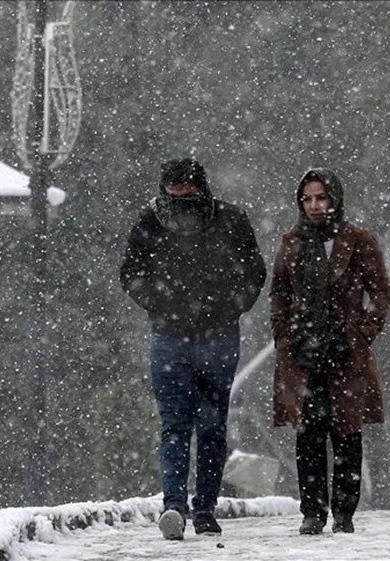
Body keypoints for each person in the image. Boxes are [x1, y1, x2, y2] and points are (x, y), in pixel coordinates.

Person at [120, 158, 266, 540]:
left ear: (200, 187)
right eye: (175, 189)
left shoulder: (231, 221)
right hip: (172, 337)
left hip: (213, 338)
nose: (182, 197)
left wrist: (228, 305)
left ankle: (202, 506)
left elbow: (253, 272)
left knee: (209, 427)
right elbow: (131, 273)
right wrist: (161, 303)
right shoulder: (151, 222)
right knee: (178, 426)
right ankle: (176, 506)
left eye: (188, 189)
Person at [269, 168, 390, 535]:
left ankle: (344, 513)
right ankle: (312, 512)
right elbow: (279, 293)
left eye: (321, 197)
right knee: (308, 434)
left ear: (334, 198)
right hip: (302, 354)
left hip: (345, 354)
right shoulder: (291, 241)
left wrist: (359, 334)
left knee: (346, 433)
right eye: (307, 199)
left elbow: (382, 293)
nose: (314, 206)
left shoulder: (357, 239)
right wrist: (286, 336)